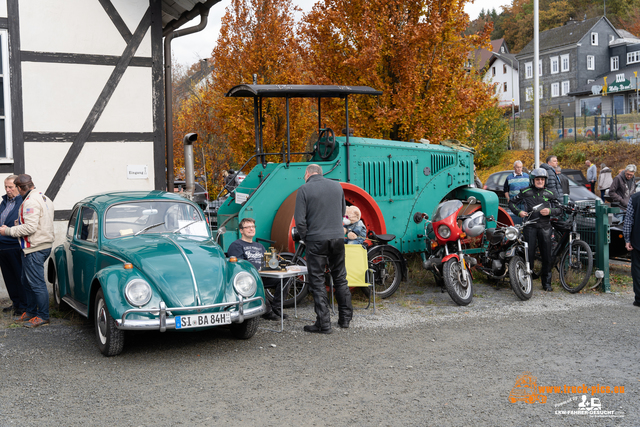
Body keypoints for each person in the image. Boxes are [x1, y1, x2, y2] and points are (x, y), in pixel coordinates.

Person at [294, 164, 352, 333]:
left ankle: (324, 323)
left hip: (316, 239)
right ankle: (345, 319)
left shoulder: (304, 189)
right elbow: (342, 212)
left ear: (307, 174)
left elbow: (300, 220)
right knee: (340, 277)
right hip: (338, 238)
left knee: (317, 280)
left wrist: (306, 237)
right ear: (321, 173)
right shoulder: (337, 186)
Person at [0, 174, 55, 328]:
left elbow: (30, 228)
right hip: (40, 244)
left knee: (36, 284)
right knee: (26, 281)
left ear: (19, 187)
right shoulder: (44, 198)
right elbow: (40, 220)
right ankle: (30, 312)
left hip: (35, 247)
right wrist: (21, 223)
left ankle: (43, 316)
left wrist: (8, 231)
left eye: (14, 187)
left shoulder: (30, 201)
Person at [508, 168, 561, 292]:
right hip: (530, 226)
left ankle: (546, 283)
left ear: (545, 180)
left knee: (547, 255)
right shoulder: (525, 191)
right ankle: (527, 281)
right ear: (533, 180)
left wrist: (550, 211)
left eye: (542, 179)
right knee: (529, 255)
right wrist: (519, 212)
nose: (540, 181)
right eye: (537, 179)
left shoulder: (550, 193)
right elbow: (511, 203)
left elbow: (560, 209)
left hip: (545, 227)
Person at [227, 217, 285, 321]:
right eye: (247, 227)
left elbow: (265, 262)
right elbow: (240, 267)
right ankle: (268, 311)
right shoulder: (236, 245)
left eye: (253, 226)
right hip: (249, 279)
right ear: (241, 230)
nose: (251, 229)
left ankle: (277, 308)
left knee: (285, 278)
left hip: (264, 275)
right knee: (255, 281)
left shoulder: (260, 246)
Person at [0, 175, 25, 315]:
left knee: (19, 277)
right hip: (2, 247)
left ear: (18, 187)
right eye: (5, 186)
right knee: (9, 278)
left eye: (10, 187)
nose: (7, 190)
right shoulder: (4, 202)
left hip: (15, 246)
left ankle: (23, 306)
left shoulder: (23, 202)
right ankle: (16, 303)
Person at [624, 190, 640, 307]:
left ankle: (639, 298)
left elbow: (628, 220)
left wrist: (627, 239)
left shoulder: (634, 198)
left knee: (637, 269)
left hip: (637, 240)